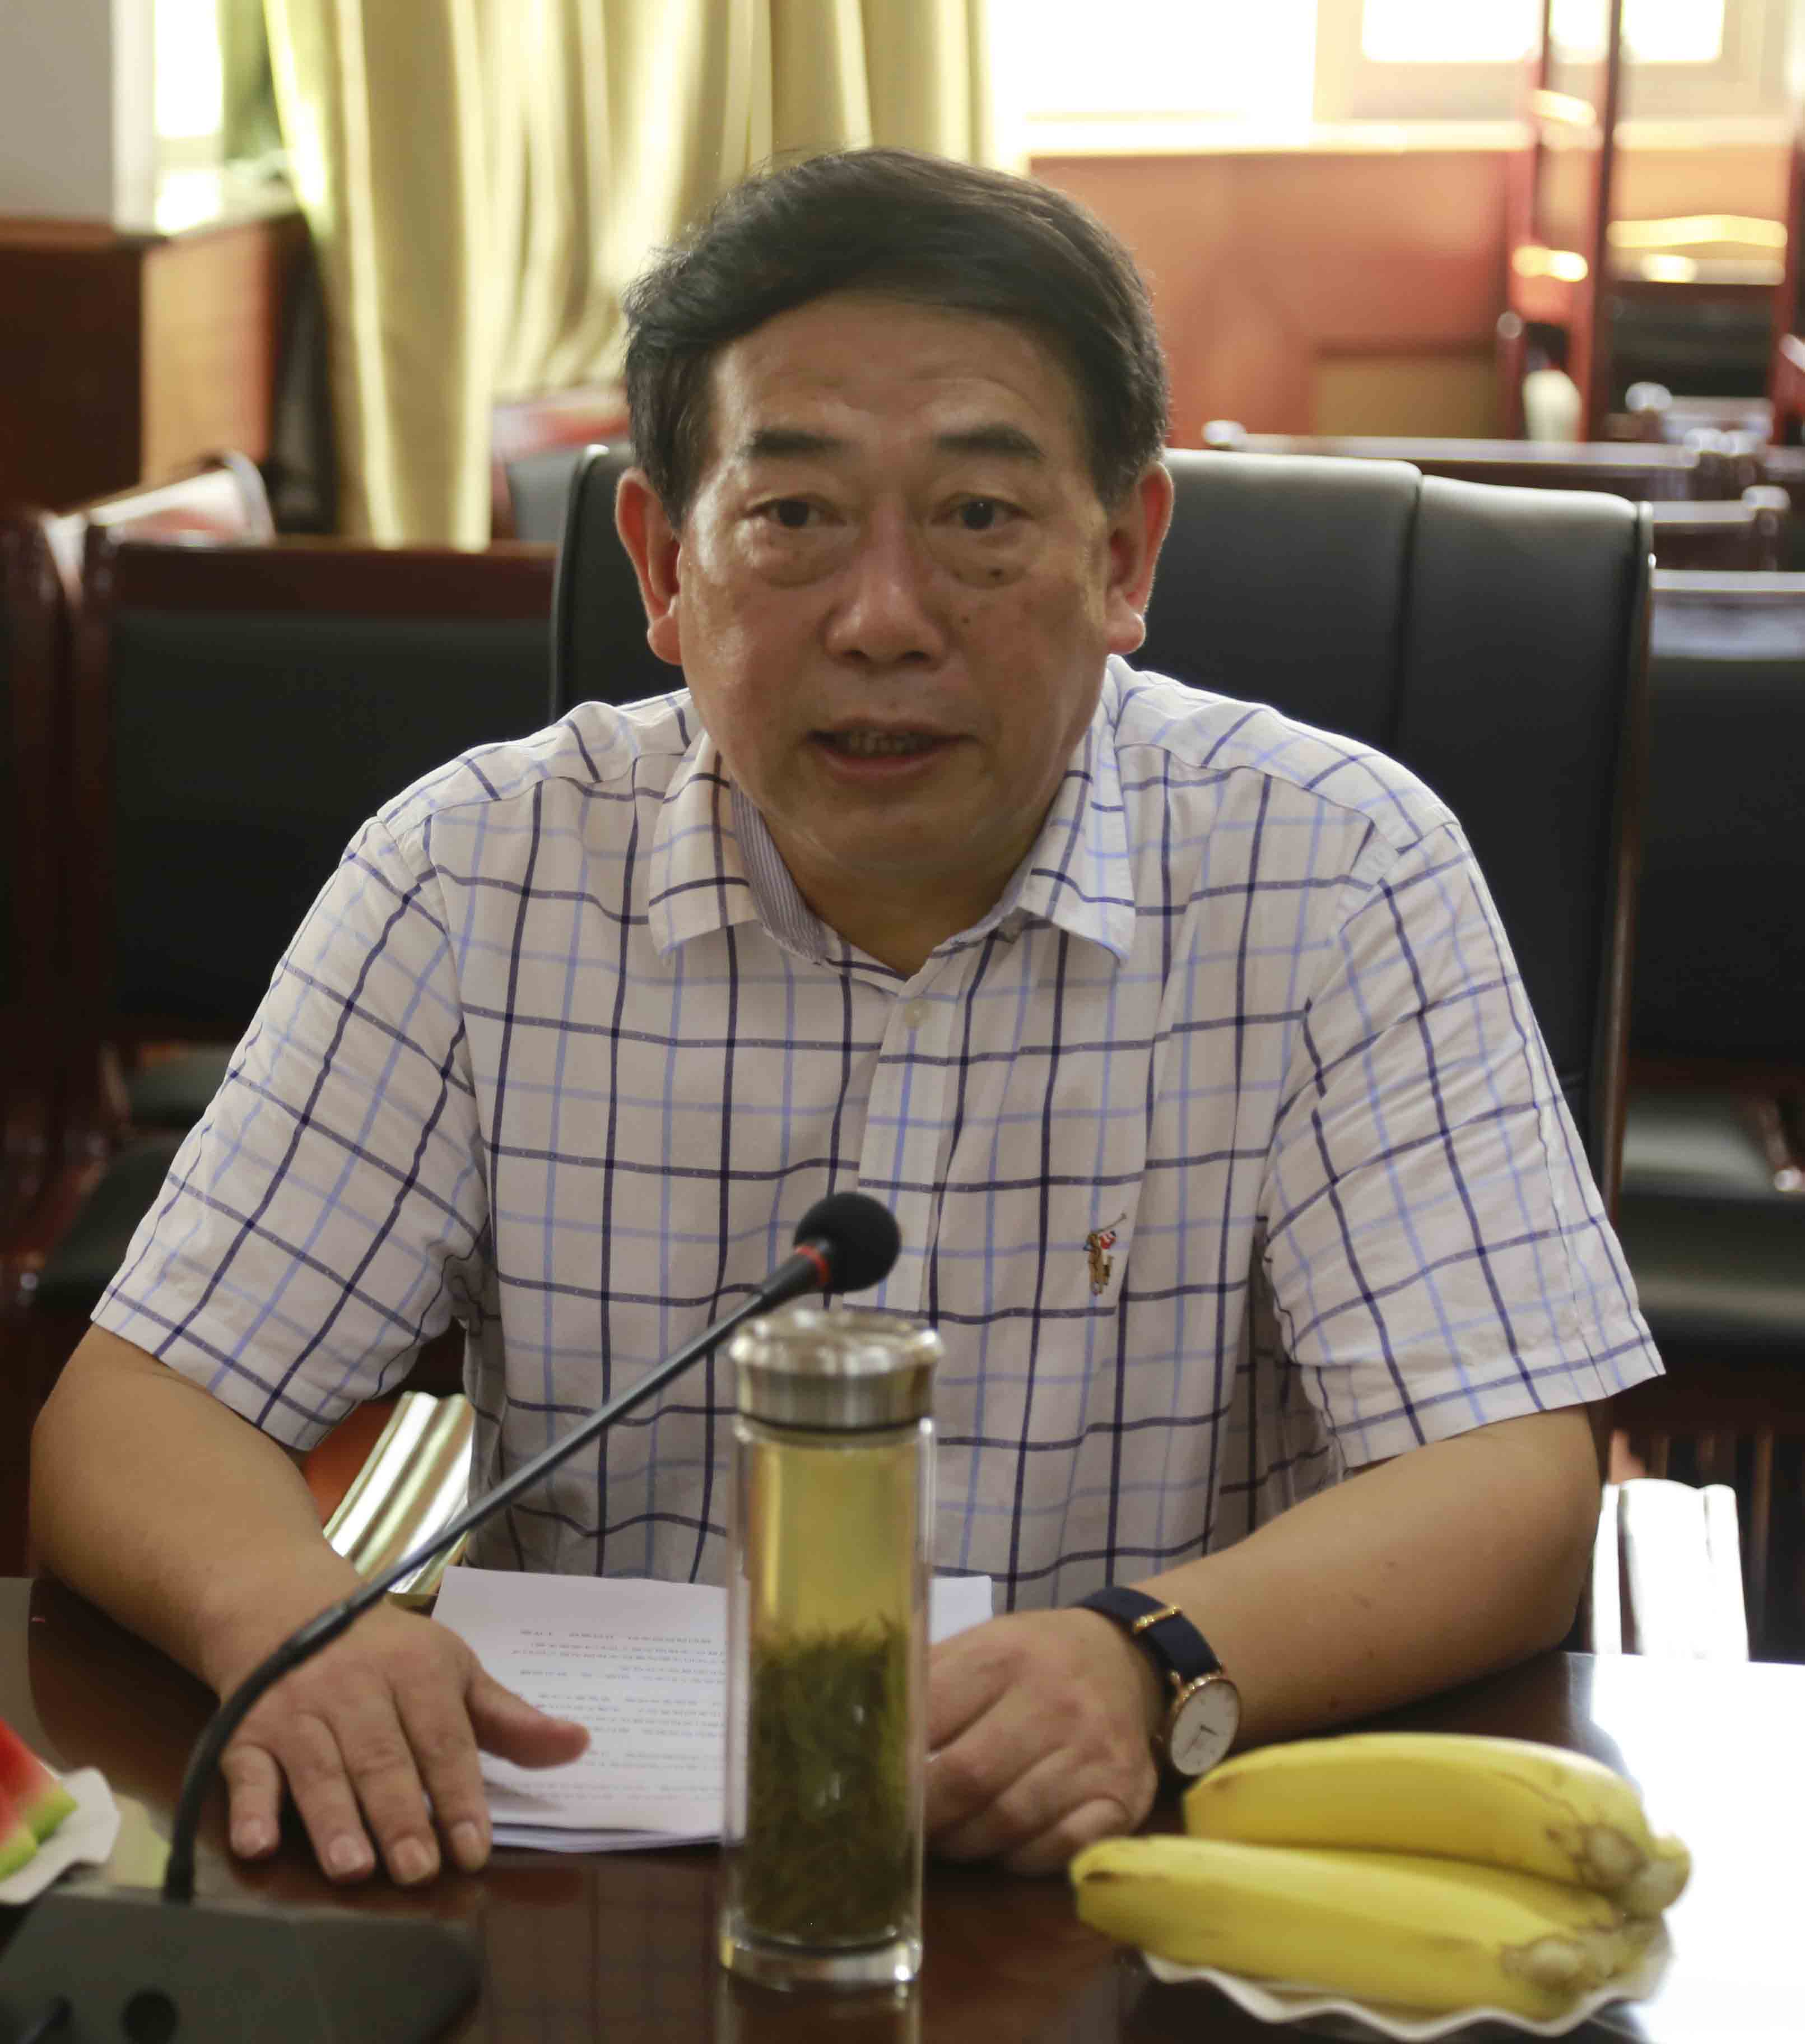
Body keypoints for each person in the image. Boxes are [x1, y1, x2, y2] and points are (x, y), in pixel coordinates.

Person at [31, 148, 1660, 1892]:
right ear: (664, 563)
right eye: (794, 517)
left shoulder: (1337, 872)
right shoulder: (474, 874)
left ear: (1123, 554)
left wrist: (1157, 1657)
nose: (884, 622)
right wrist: (294, 1619)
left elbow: (1510, 1480)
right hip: (599, 1889)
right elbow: (137, 1415)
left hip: (1151, 1873)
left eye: (978, 518)